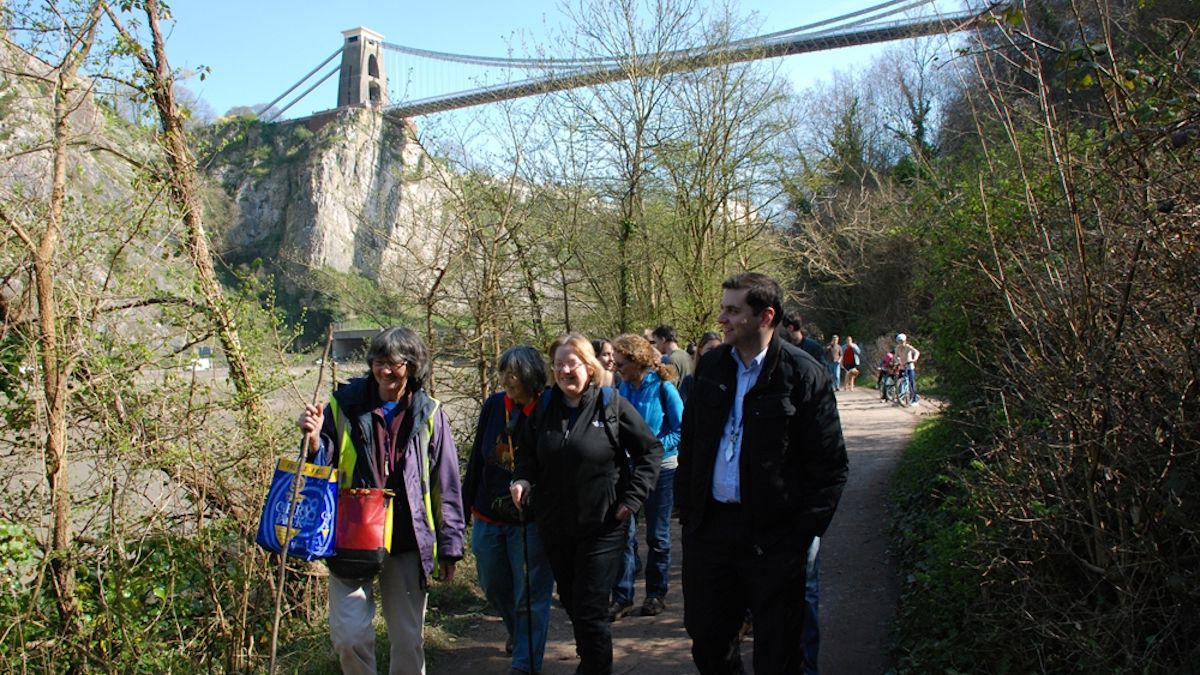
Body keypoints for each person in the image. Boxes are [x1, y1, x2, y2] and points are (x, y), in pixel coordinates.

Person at [677, 273, 848, 675]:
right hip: (711, 531)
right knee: (708, 639)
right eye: (723, 309)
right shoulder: (713, 366)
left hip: (774, 538)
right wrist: (689, 513)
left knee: (778, 650)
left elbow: (831, 466)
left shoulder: (803, 374)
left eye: (733, 310)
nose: (722, 318)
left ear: (765, 316)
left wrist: (799, 535)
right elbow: (692, 444)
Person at [297, 327, 465, 675]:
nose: (384, 370)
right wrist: (314, 440)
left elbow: (445, 483)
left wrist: (450, 545)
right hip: (351, 535)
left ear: (414, 365)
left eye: (394, 363)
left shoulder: (429, 413)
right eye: (378, 361)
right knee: (349, 636)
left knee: (407, 640)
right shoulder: (343, 403)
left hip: (406, 537)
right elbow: (321, 466)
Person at [510, 334, 662, 675]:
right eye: (559, 364)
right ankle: (589, 660)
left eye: (572, 363)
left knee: (591, 610)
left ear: (589, 367)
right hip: (556, 525)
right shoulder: (544, 408)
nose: (565, 371)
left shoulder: (611, 405)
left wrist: (632, 498)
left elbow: (651, 451)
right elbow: (527, 457)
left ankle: (594, 667)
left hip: (603, 526)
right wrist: (521, 479)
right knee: (572, 601)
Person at [462, 346, 554, 675]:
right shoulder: (493, 406)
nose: (507, 380)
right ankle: (520, 635)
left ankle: (524, 664)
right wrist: (463, 507)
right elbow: (477, 458)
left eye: (514, 374)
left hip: (530, 521)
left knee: (530, 594)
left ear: (532, 376)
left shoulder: (548, 407)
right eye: (504, 373)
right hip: (488, 514)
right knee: (494, 585)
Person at [608, 334, 685, 621]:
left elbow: (681, 429)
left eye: (621, 363)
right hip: (628, 472)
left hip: (662, 471)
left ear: (637, 361)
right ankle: (623, 597)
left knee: (657, 535)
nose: (616, 368)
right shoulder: (620, 388)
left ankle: (655, 594)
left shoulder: (664, 388)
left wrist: (651, 449)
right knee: (624, 535)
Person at [679, 331, 721, 402]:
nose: (715, 353)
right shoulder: (689, 381)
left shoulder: (725, 380)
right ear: (700, 350)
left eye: (718, 349)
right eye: (710, 349)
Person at [895, 333, 921, 406]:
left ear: (905, 341)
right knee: (899, 383)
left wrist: (914, 359)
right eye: (899, 341)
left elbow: (916, 352)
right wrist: (898, 361)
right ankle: (900, 399)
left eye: (902, 341)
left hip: (909, 366)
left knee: (911, 382)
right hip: (902, 366)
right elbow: (895, 356)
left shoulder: (908, 347)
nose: (901, 343)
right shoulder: (897, 348)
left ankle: (915, 400)